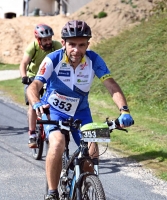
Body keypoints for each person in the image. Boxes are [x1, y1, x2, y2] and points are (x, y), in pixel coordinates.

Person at [27, 20, 134, 200]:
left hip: (81, 112)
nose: (77, 50)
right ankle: (52, 193)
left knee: (92, 152)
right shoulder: (53, 59)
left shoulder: (94, 60)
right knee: (58, 143)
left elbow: (112, 86)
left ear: (87, 45)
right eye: (72, 45)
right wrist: (36, 102)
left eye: (81, 45)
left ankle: (85, 184)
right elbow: (34, 86)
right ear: (63, 44)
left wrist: (124, 110)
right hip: (54, 110)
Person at [19, 24, 62, 148]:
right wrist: (24, 77)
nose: (48, 42)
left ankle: (55, 129)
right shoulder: (33, 47)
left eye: (49, 39)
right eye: (45, 40)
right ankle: (32, 135)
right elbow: (23, 63)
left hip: (50, 77)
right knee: (33, 105)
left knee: (56, 103)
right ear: (39, 40)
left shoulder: (56, 46)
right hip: (34, 77)